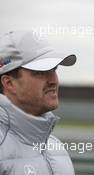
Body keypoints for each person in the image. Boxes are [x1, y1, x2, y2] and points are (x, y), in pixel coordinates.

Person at [0, 30, 77, 174]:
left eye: (54, 68)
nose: (53, 80)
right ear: (9, 83)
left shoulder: (56, 148)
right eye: (41, 71)